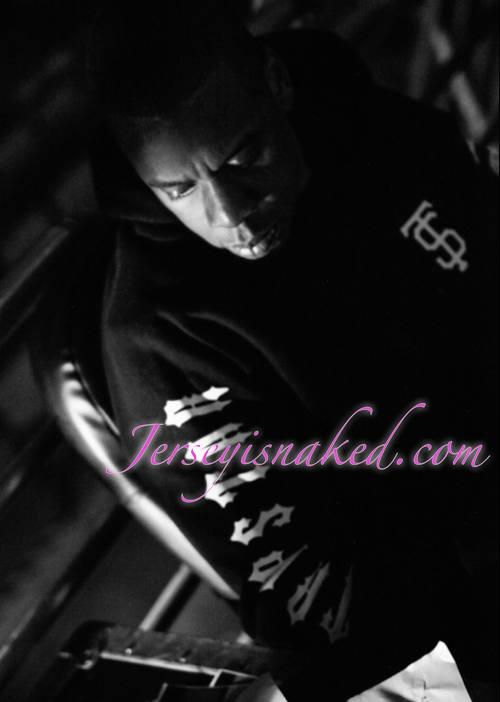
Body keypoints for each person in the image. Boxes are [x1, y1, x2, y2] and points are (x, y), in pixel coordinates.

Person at [86, 1, 498, 699]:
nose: (230, 214)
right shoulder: (162, 341)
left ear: (278, 83)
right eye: (179, 190)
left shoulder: (376, 132)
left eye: (243, 157)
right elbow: (308, 595)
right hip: (448, 607)